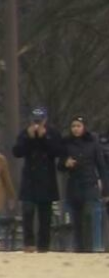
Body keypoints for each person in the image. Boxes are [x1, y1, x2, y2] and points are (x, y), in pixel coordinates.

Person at [13, 107, 63, 252]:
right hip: (29, 178)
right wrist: (29, 138)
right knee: (27, 211)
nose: (37, 123)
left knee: (45, 215)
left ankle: (43, 245)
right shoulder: (25, 133)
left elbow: (57, 151)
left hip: (46, 179)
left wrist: (44, 137)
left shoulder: (52, 133)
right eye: (35, 120)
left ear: (45, 120)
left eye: (40, 121)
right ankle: (29, 243)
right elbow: (17, 152)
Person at [58, 117, 109, 252]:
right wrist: (65, 164)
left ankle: (88, 247)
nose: (76, 128)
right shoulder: (66, 143)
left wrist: (106, 189)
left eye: (78, 126)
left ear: (84, 127)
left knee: (88, 215)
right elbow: (60, 166)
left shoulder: (93, 143)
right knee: (77, 218)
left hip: (89, 184)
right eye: (73, 126)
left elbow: (101, 166)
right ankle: (79, 247)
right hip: (73, 185)